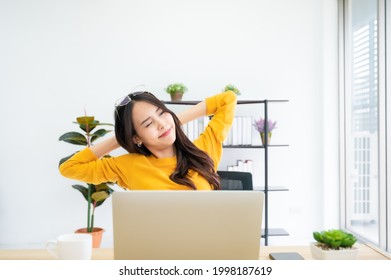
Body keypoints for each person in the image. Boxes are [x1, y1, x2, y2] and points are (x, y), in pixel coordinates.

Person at [59, 90, 237, 190]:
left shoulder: (204, 149)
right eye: (147, 123)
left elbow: (227, 99)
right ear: (136, 137)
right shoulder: (127, 166)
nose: (160, 124)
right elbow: (69, 168)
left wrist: (172, 121)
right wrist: (121, 139)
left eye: (161, 113)